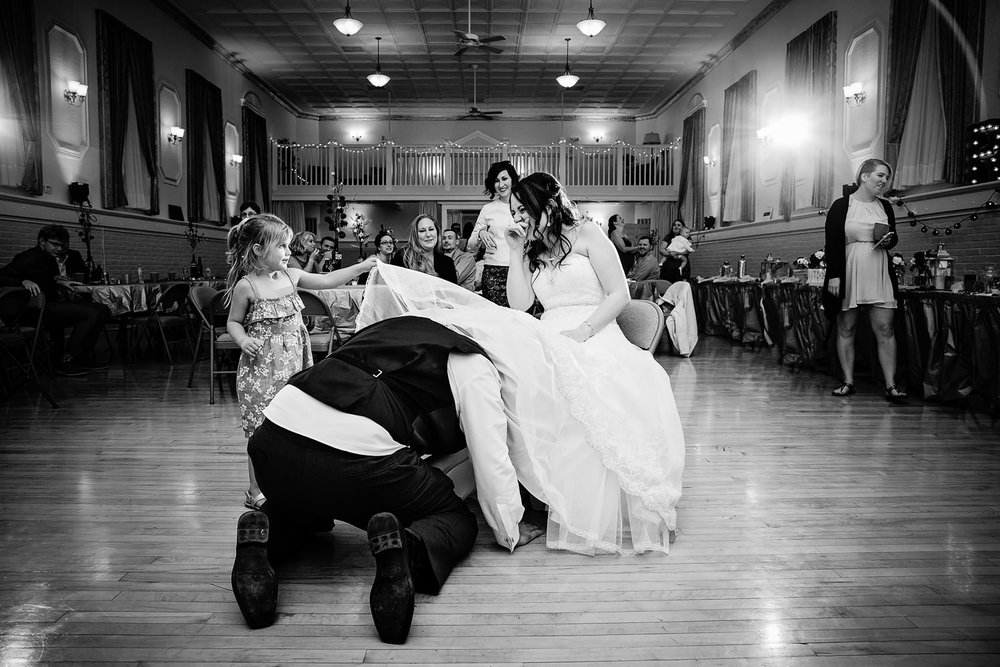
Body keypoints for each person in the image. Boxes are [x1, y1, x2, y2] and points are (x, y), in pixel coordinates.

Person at [359, 172, 686, 555]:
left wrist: (582, 332)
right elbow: (519, 304)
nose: (517, 220)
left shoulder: (588, 235)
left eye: (520, 210)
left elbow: (618, 294)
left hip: (594, 329)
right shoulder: (533, 250)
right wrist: (516, 253)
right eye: (513, 213)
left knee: (579, 385)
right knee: (506, 368)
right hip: (548, 330)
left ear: (544, 204)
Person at [231, 316, 486, 642]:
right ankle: (407, 550)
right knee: (454, 516)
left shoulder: (375, 337)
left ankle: (265, 539)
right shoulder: (461, 362)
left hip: (272, 446)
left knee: (307, 505)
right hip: (359, 465)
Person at [224, 214, 377, 510]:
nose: (288, 252)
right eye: (281, 246)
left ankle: (291, 479)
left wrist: (361, 266)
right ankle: (255, 489)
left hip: (295, 364)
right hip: (261, 370)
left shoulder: (291, 276)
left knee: (294, 422)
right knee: (260, 428)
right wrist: (243, 340)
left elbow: (329, 280)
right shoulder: (247, 286)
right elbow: (233, 322)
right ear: (258, 250)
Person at [823, 158, 907, 403]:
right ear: (864, 176)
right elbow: (833, 243)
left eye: (886, 177)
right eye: (880, 175)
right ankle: (848, 381)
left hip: (878, 268)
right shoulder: (841, 205)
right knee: (846, 328)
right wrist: (834, 275)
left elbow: (893, 237)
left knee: (885, 329)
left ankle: (891, 385)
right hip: (849, 268)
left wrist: (890, 241)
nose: (884, 181)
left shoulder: (885, 207)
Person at [0, 224, 111, 376]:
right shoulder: (28, 257)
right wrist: (23, 281)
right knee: (90, 313)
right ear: (42, 241)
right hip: (31, 312)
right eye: (55, 244)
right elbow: (1, 276)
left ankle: (80, 356)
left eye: (62, 245)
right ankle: (67, 360)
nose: (59, 249)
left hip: (50, 305)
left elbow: (45, 280)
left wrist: (59, 282)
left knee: (102, 309)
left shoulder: (51, 258)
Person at [467, 161, 519, 306]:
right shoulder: (488, 209)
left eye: (504, 179)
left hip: (520, 269)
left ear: (512, 179)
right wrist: (481, 233)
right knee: (496, 319)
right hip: (493, 272)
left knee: (520, 316)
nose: (501, 184)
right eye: (496, 181)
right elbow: (471, 246)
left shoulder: (525, 206)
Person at [390, 214, 458, 284]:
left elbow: (453, 293)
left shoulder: (447, 262)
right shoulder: (404, 257)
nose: (428, 234)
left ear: (437, 232)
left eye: (431, 229)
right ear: (415, 235)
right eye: (422, 231)